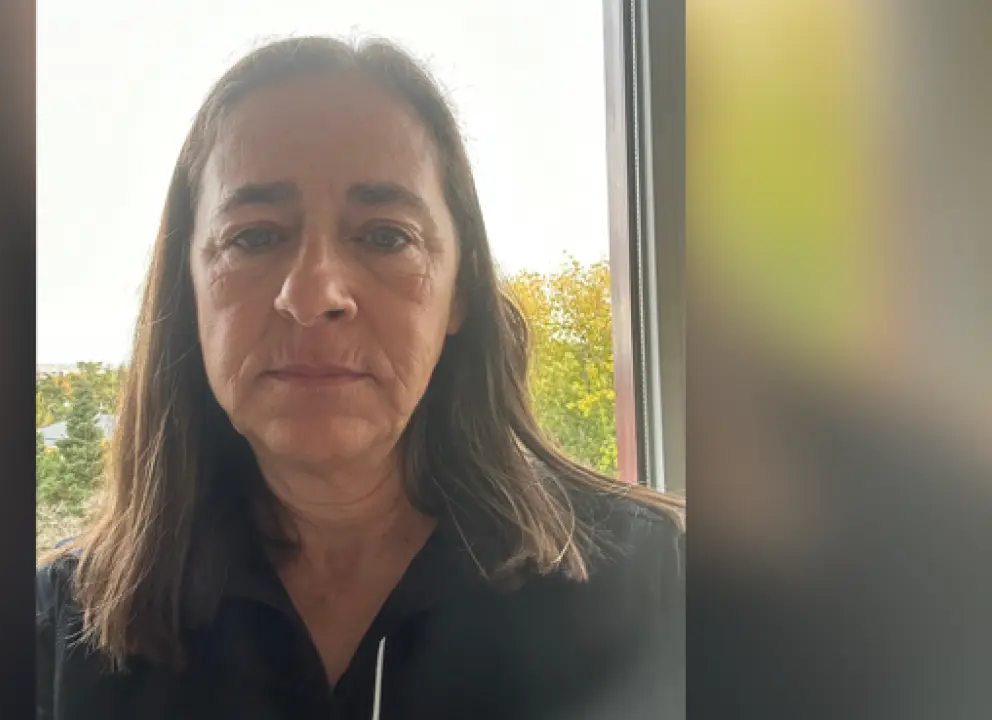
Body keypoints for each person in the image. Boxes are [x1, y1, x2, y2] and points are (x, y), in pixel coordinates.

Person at [37, 35, 685, 720]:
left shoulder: (666, 593)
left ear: (459, 291)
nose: (313, 294)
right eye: (254, 236)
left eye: (384, 236)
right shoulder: (54, 639)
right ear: (188, 289)